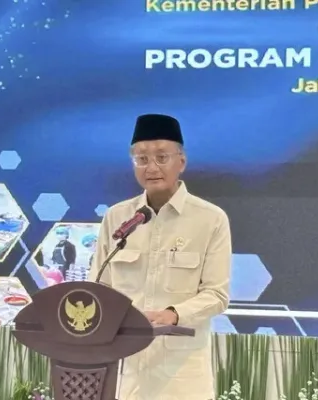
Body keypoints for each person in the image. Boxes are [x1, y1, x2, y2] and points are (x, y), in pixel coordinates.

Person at [88, 114, 232, 400]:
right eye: (142, 159)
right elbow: (99, 287)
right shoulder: (117, 217)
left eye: (162, 157)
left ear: (182, 161)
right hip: (125, 368)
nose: (151, 167)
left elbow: (217, 295)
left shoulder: (210, 219)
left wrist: (173, 315)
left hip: (182, 374)